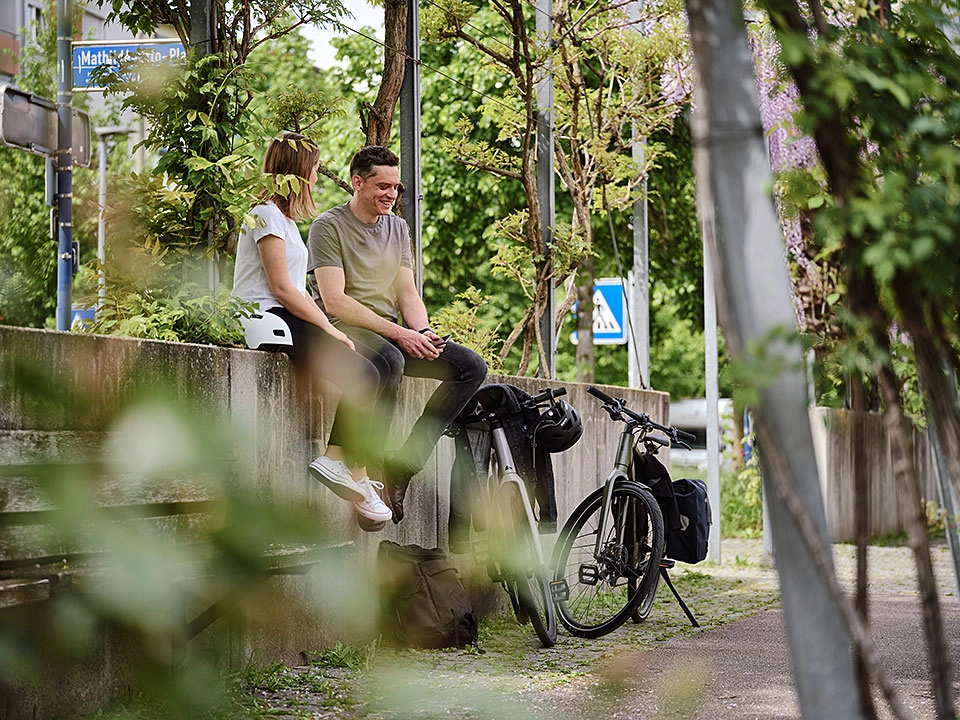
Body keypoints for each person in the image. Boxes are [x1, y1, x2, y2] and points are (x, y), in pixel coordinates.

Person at [307, 145, 487, 524]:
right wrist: (400, 335)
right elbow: (335, 302)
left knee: (469, 366)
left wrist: (422, 332)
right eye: (383, 186)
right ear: (357, 182)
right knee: (389, 359)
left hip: (393, 331)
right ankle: (365, 472)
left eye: (397, 187)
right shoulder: (328, 225)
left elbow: (407, 292)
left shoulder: (398, 228)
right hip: (347, 330)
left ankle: (403, 465)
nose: (391, 194)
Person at [232, 133, 392, 525]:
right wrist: (329, 326)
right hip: (268, 319)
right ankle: (334, 460)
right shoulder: (265, 214)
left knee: (379, 369)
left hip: (288, 316)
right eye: (315, 169)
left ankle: (357, 472)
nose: (318, 177)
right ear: (298, 170)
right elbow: (283, 288)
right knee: (365, 374)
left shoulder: (283, 219)